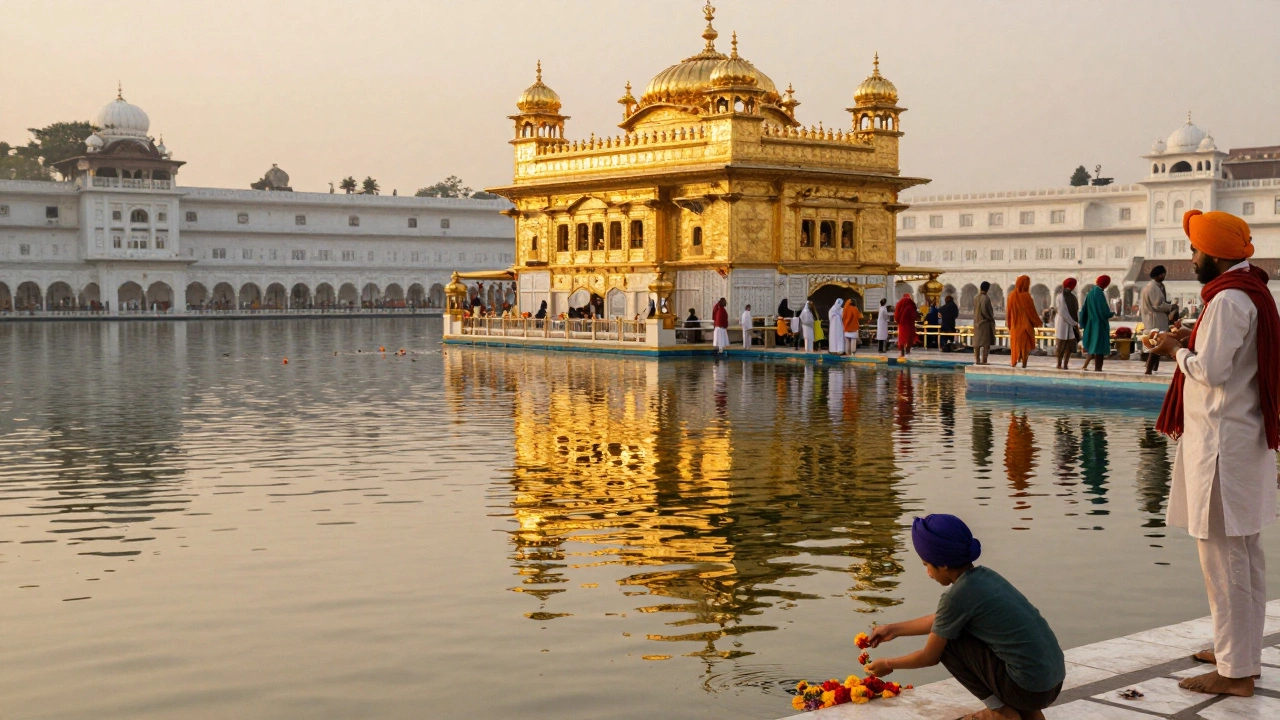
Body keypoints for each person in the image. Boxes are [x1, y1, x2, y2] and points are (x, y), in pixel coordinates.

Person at [1151, 209, 1280, 698]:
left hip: (1223, 450)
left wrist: (1174, 351)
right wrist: (1193, 339)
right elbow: (1231, 357)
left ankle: (1235, 672)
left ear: (1215, 252)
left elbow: (1213, 371)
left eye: (1195, 249)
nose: (1192, 257)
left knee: (1224, 562)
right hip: (1240, 443)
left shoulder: (1227, 299)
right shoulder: (1250, 291)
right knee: (1243, 559)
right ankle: (1239, 653)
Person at [865, 514, 1064, 720]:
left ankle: (1000, 712)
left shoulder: (957, 596)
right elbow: (944, 619)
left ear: (942, 565)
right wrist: (893, 630)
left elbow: (930, 657)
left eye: (927, 565)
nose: (928, 573)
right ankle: (1031, 714)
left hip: (1028, 689)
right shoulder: (986, 576)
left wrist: (888, 664)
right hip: (1052, 682)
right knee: (958, 631)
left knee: (949, 643)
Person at [1141, 265, 1177, 375]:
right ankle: (1148, 370)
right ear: (1157, 275)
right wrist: (1171, 307)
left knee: (1157, 345)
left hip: (1157, 319)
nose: (1164, 276)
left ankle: (1154, 369)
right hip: (1154, 319)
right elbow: (1157, 305)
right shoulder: (1152, 287)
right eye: (1162, 274)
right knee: (1155, 346)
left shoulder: (1157, 286)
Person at [1079, 276, 1114, 371]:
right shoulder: (1099, 293)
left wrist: (1083, 323)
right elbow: (1103, 311)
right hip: (1099, 324)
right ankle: (1098, 369)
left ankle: (1087, 366)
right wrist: (1112, 313)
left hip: (1091, 323)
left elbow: (1084, 310)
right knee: (1099, 347)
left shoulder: (1090, 292)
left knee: (1093, 345)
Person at [1005, 276, 1041, 369]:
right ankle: (1024, 363)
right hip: (1026, 326)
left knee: (1016, 345)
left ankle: (1015, 361)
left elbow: (1008, 313)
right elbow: (1032, 312)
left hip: (1015, 326)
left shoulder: (1011, 296)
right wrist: (1037, 322)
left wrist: (1009, 324)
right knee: (1025, 346)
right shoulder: (1026, 296)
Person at [1054, 279, 1080, 370]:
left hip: (1070, 325)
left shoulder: (1073, 297)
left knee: (1069, 347)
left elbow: (1075, 310)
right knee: (1060, 346)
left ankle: (1065, 364)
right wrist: (1074, 323)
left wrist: (1074, 323)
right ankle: (1059, 364)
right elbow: (1062, 311)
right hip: (1063, 324)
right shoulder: (1060, 297)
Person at [973, 282, 995, 365]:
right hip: (984, 323)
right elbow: (985, 310)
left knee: (977, 343)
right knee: (986, 343)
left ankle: (977, 360)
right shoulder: (986, 298)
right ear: (987, 289)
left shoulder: (976, 297)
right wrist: (990, 318)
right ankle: (984, 360)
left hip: (976, 323)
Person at [895, 293, 918, 358]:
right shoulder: (910, 306)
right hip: (910, 325)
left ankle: (902, 352)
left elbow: (896, 315)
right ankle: (907, 350)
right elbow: (914, 315)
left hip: (902, 325)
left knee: (902, 339)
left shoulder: (901, 305)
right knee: (909, 338)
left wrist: (898, 322)